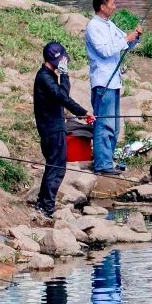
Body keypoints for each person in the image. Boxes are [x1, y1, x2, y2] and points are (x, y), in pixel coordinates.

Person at [33, 40, 92, 220]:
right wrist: (83, 112)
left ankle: (43, 203)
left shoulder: (49, 75)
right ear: (53, 60)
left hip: (53, 127)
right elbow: (63, 97)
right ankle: (46, 207)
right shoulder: (45, 77)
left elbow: (62, 97)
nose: (63, 64)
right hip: (52, 129)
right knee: (56, 168)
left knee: (54, 167)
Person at [84, 0, 142, 176]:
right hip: (103, 82)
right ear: (102, 6)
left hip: (114, 82)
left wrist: (134, 38)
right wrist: (126, 39)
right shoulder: (93, 27)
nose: (114, 6)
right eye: (112, 3)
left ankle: (108, 161)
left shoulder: (109, 25)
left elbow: (123, 43)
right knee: (104, 124)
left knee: (115, 126)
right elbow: (106, 51)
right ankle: (102, 164)